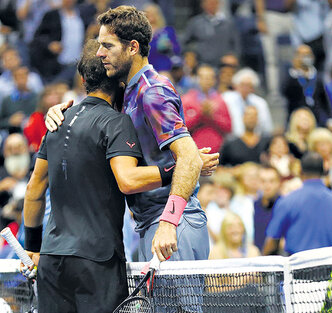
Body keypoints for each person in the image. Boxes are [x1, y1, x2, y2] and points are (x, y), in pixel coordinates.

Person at [44, 6, 219, 263]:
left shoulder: (153, 92)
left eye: (108, 46)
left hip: (172, 225)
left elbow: (189, 158)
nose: (100, 53)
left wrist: (169, 222)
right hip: (151, 224)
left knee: (182, 306)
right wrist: (58, 111)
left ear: (133, 47)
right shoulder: (129, 92)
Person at [23, 40, 173, 313]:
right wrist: (176, 167)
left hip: (51, 258)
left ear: (82, 80)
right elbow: (128, 180)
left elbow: (34, 190)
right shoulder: (116, 122)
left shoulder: (58, 121)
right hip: (97, 260)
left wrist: (33, 247)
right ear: (119, 81)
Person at [263, 152, 332, 255]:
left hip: (297, 268)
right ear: (324, 172)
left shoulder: (287, 201)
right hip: (331, 267)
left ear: (300, 171)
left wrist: (262, 268)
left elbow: (271, 242)